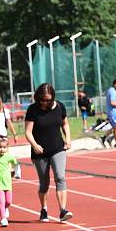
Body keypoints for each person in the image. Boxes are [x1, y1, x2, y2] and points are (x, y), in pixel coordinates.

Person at [24, 83, 72, 223]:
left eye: (47, 100)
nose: (44, 102)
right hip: (40, 151)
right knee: (44, 183)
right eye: (42, 99)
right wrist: (34, 145)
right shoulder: (33, 109)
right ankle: (44, 208)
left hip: (57, 148)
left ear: (52, 98)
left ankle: (63, 210)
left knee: (60, 177)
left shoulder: (60, 107)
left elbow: (65, 124)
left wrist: (68, 139)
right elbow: (27, 131)